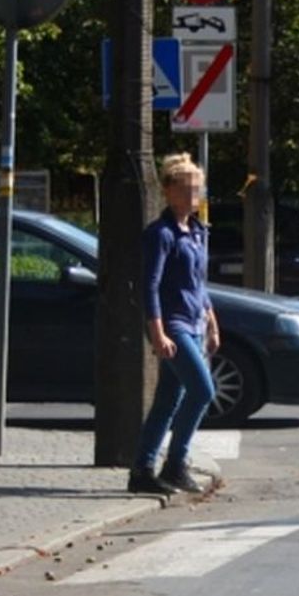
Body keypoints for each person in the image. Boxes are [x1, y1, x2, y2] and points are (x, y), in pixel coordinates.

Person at [129, 153, 219, 496]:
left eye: (197, 190)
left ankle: (142, 469)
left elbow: (199, 283)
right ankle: (176, 463)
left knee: (167, 400)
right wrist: (158, 332)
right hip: (175, 326)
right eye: (186, 190)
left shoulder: (196, 232)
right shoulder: (160, 234)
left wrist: (211, 320)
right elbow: (150, 285)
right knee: (203, 391)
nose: (193, 197)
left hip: (195, 323)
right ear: (169, 191)